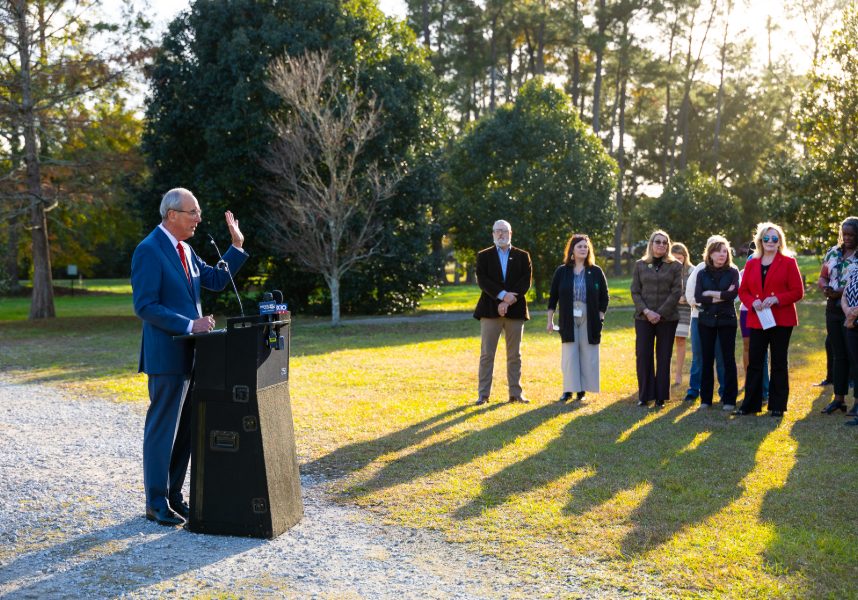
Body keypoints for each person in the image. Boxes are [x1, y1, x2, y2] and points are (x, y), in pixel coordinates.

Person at [131, 188, 248, 526]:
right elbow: (145, 306)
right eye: (193, 212)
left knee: (185, 432)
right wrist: (189, 324)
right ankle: (155, 502)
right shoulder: (149, 251)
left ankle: (174, 497)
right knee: (162, 430)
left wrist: (236, 246)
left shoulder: (187, 249)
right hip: (166, 355)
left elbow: (215, 279)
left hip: (195, 355)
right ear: (172, 215)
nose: (199, 218)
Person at [735, 222, 804, 417]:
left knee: (779, 361)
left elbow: (798, 292)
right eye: (767, 238)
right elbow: (743, 290)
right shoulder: (751, 263)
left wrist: (778, 298)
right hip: (758, 318)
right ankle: (750, 405)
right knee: (755, 361)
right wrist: (752, 302)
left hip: (781, 319)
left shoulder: (789, 262)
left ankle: (777, 406)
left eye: (775, 238)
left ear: (780, 241)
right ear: (760, 241)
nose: (771, 242)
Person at [473, 220, 532, 405]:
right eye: (497, 231)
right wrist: (502, 296)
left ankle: (516, 393)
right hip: (490, 310)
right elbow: (483, 280)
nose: (500, 234)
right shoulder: (484, 256)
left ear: (510, 233)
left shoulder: (523, 256)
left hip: (515, 311)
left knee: (515, 355)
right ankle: (483, 395)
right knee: (486, 354)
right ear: (492, 234)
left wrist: (509, 300)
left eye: (504, 231)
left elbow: (525, 281)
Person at [546, 234, 609, 402]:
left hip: (590, 316)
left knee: (588, 352)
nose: (583, 249)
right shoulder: (562, 271)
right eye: (580, 246)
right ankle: (569, 390)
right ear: (572, 249)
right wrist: (550, 320)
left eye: (586, 247)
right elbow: (553, 298)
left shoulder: (595, 271)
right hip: (568, 315)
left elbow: (605, 297)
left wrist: (600, 316)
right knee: (570, 353)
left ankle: (582, 390)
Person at [630, 230, 683, 408]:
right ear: (651, 244)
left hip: (667, 318)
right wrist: (647, 311)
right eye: (657, 242)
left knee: (663, 356)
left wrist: (659, 313)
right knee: (643, 355)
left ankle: (661, 396)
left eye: (664, 242)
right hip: (643, 318)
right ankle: (645, 395)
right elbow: (635, 291)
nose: (661, 245)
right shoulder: (640, 265)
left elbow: (676, 292)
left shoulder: (675, 265)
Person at [693, 236, 740, 410]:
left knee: (728, 359)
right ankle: (705, 399)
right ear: (710, 253)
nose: (722, 254)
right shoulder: (702, 272)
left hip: (727, 320)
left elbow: (732, 295)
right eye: (718, 251)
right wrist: (720, 294)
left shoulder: (733, 272)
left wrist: (710, 293)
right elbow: (698, 298)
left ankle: (729, 399)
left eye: (725, 251)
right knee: (707, 359)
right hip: (706, 321)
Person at [818, 217, 858, 415]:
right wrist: (825, 287)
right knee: (838, 354)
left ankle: (857, 401)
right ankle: (839, 399)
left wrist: (841, 292)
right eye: (845, 234)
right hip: (833, 308)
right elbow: (823, 275)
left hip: (853, 309)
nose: (848, 238)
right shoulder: (833, 252)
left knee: (855, 355)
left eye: (852, 234)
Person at [684, 236, 726, 402]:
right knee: (699, 355)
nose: (718, 253)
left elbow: (735, 295)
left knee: (721, 356)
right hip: (699, 317)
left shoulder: (730, 268)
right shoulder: (700, 268)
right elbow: (691, 295)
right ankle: (694, 389)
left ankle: (724, 391)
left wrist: (710, 297)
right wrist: (717, 298)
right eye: (713, 248)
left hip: (722, 318)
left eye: (721, 249)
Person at [738, 243, 769, 402]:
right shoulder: (748, 265)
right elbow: (742, 293)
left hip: (766, 312)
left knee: (762, 351)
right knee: (748, 347)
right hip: (747, 312)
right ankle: (750, 381)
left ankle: (764, 389)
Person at [671, 243, 693, 387]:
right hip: (669, 310)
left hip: (684, 311)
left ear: (685, 257)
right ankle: (664, 373)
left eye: (680, 258)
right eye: (675, 258)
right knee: (665, 343)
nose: (678, 261)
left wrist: (684, 298)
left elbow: (693, 290)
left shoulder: (692, 270)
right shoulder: (667, 269)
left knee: (680, 341)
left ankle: (678, 374)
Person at [841, 264, 858, 426]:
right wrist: (848, 312)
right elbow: (845, 294)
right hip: (852, 324)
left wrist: (854, 313)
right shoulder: (854, 269)